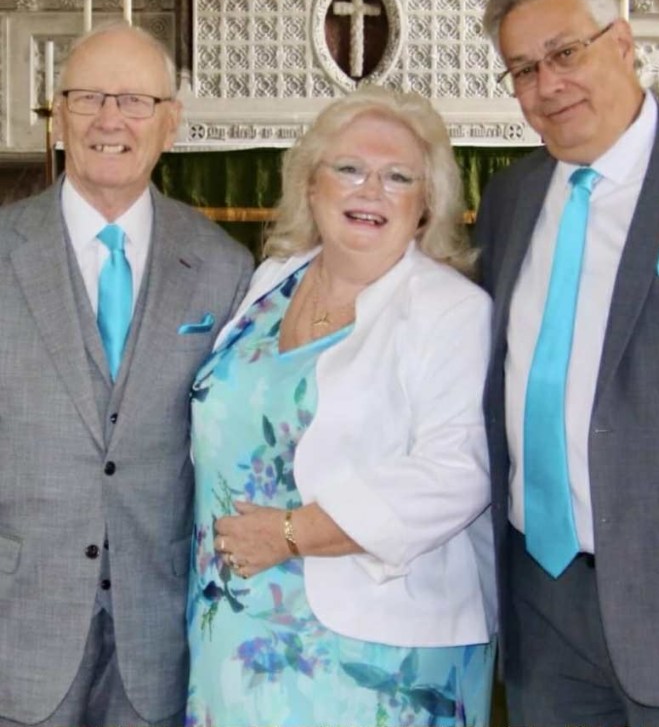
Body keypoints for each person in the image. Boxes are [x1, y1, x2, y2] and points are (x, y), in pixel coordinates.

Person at [187, 86, 497, 727]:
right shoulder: (272, 280)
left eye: (398, 177)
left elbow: (456, 472)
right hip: (234, 624)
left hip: (376, 649)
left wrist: (290, 533)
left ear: (426, 204)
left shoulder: (451, 310)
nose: (371, 190)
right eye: (349, 168)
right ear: (310, 185)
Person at [0, 25, 253, 727]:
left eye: (136, 101)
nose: (110, 120)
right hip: (18, 623)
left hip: (159, 631)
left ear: (171, 122)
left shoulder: (223, 265)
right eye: (89, 98)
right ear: (58, 115)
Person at [475, 0, 659, 727]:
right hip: (542, 597)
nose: (549, 84)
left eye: (565, 53)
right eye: (524, 69)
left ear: (623, 42)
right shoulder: (509, 198)